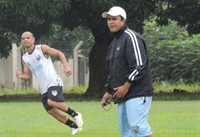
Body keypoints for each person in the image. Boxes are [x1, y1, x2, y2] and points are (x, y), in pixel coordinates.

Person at [16, 31, 83, 135]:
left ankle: (75, 114)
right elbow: (27, 75)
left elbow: (59, 53)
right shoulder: (24, 58)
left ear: (33, 39)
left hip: (53, 81)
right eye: (23, 38)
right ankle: (74, 126)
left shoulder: (42, 48)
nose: (25, 40)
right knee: (50, 110)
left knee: (51, 101)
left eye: (28, 38)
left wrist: (66, 66)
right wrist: (20, 76)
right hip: (43, 87)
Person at [101, 6, 154, 137]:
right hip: (122, 94)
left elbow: (139, 66)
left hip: (137, 91)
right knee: (126, 133)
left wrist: (126, 85)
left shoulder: (131, 37)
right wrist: (108, 91)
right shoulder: (114, 43)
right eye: (109, 19)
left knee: (138, 128)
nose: (111, 22)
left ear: (123, 21)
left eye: (114, 19)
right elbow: (113, 70)